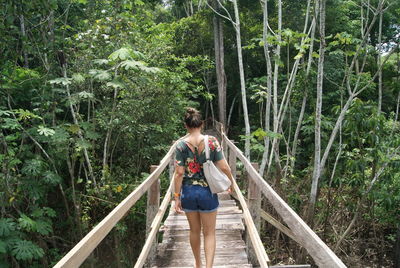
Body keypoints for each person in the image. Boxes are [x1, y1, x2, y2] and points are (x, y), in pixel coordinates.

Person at [173, 107, 234, 268]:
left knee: (194, 231)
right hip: (207, 193)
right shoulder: (212, 142)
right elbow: (225, 167)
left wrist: (176, 197)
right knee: (209, 232)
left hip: (189, 193)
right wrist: (231, 182)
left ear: (185, 126)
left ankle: (198, 264)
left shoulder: (180, 146)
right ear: (201, 124)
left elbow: (179, 173)